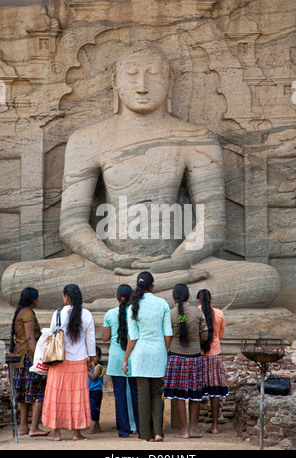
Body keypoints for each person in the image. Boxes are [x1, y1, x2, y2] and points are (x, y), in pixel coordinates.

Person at [1, 41, 280, 312]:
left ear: (169, 83)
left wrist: (173, 263)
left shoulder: (196, 138)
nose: (142, 85)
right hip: (107, 267)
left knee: (264, 279)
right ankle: (157, 293)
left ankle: (125, 295)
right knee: (16, 280)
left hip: (178, 263)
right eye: (132, 75)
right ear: (115, 83)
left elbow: (213, 225)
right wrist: (108, 259)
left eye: (154, 75)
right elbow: (72, 225)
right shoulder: (87, 139)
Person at [122, 272, 172, 442]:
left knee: (143, 395)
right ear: (152, 285)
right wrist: (164, 352)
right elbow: (167, 334)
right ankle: (158, 432)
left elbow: (133, 337)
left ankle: (146, 434)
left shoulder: (133, 306)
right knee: (157, 394)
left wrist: (125, 359)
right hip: (158, 351)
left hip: (140, 354)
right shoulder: (162, 304)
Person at [42, 284, 96, 441]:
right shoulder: (86, 314)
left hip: (59, 361)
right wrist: (91, 359)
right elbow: (90, 339)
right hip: (79, 361)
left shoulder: (58, 314)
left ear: (66, 297)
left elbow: (52, 333)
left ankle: (57, 434)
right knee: (77, 397)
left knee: (57, 395)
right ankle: (76, 433)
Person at [163, 284, 208, 439]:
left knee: (179, 395)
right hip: (195, 357)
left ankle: (184, 431)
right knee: (195, 394)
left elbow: (167, 337)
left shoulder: (170, 314)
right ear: (189, 296)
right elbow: (205, 336)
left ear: (174, 297)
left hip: (175, 357)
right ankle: (194, 428)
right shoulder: (198, 312)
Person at [9, 287, 49, 437]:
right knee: (38, 391)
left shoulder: (20, 312)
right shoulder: (28, 313)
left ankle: (24, 427)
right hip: (28, 358)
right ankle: (34, 427)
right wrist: (40, 359)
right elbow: (30, 338)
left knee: (23, 393)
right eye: (37, 298)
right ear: (33, 300)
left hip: (19, 357)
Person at [102, 284, 139, 438]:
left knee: (120, 396)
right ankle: (139, 426)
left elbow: (104, 338)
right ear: (132, 297)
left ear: (116, 297)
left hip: (116, 360)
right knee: (136, 395)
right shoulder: (135, 313)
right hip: (133, 358)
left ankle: (123, 430)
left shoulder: (109, 314)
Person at [197, 288, 228, 434]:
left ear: (198, 301)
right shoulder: (220, 313)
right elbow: (220, 335)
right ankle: (215, 426)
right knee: (214, 392)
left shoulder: (196, 313)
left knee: (195, 391)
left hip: (199, 355)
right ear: (211, 300)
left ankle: (194, 426)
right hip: (215, 354)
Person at [87, 346, 104, 434]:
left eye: (95, 357)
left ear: (100, 358)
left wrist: (86, 371)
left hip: (96, 392)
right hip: (89, 391)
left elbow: (94, 377)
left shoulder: (98, 367)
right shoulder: (89, 367)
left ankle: (93, 428)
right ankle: (97, 427)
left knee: (95, 409)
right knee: (92, 409)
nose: (92, 359)